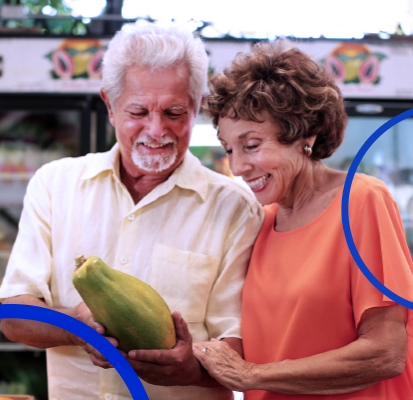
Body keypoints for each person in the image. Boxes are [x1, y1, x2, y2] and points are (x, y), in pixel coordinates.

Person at [0, 24, 263, 400]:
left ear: (197, 106)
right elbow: (12, 314)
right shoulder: (55, 185)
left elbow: (242, 348)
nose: (156, 130)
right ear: (109, 105)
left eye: (174, 112)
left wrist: (190, 365)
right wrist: (76, 327)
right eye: (138, 111)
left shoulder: (235, 208)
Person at [193, 40, 413, 399]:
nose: (236, 167)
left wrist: (252, 374)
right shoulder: (258, 221)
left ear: (304, 133)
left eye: (251, 145)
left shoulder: (361, 201)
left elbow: (385, 353)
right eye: (228, 149)